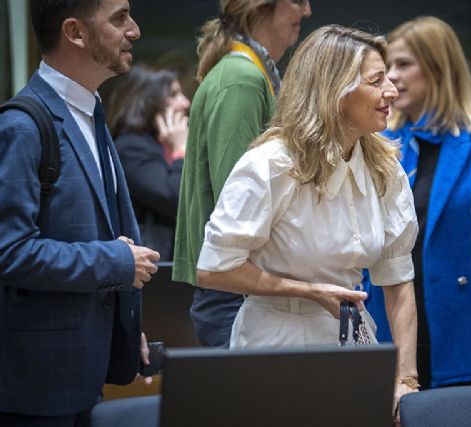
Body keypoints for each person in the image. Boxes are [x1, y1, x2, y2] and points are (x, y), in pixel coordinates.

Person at [195, 25, 419, 418]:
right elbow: (213, 269)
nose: (392, 91)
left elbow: (398, 281)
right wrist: (309, 291)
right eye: (376, 80)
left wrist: (405, 380)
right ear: (335, 90)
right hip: (275, 343)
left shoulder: (385, 168)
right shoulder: (271, 164)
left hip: (354, 343)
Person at [0, 0, 160, 425]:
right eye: (119, 18)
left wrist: (125, 329)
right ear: (75, 32)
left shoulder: (90, 113)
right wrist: (116, 261)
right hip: (36, 392)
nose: (135, 30)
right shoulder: (22, 126)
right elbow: (10, 252)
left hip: (82, 376)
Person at [364, 16, 471, 390]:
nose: (392, 77)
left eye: (404, 64)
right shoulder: (378, 142)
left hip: (463, 328)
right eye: (388, 67)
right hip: (389, 320)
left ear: (439, 68)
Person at [173, 0, 312, 348]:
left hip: (240, 288)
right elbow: (236, 202)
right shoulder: (242, 78)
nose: (306, 11)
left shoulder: (251, 73)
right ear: (259, 7)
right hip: (236, 291)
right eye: (297, 1)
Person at [108, 65, 190, 260]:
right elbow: (174, 199)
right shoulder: (131, 147)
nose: (185, 102)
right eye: (173, 94)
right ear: (148, 101)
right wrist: (180, 150)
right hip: (150, 268)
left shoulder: (161, 143)